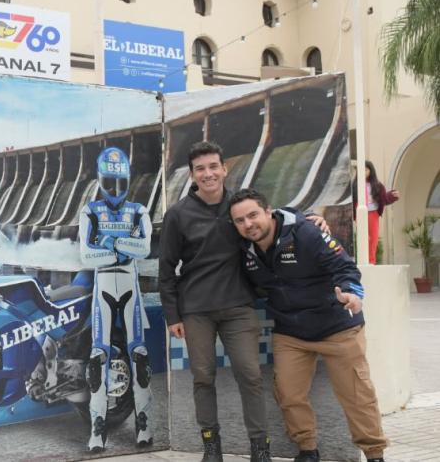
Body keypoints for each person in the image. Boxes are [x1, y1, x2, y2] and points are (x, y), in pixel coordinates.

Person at [228, 188, 388, 462]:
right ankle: (307, 450)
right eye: (240, 220)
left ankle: (374, 454)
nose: (248, 224)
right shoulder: (243, 248)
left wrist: (351, 293)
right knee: (288, 394)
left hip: (337, 326)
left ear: (268, 211)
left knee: (357, 396)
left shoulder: (306, 232)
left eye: (253, 215)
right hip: (291, 332)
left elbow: (345, 268)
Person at [158, 141, 271, 462]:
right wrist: (172, 315)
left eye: (212, 166)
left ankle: (260, 448)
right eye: (200, 169)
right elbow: (166, 269)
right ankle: (211, 445)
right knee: (203, 378)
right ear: (192, 174)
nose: (207, 174)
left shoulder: (238, 208)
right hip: (196, 310)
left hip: (238, 306)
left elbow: (269, 219)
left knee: (250, 375)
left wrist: (311, 219)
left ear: (224, 168)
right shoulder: (177, 215)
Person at [78, 146, 153, 452]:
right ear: (100, 180)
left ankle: (144, 425)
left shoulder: (139, 210)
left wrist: (109, 241)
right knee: (98, 356)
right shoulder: (90, 211)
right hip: (105, 285)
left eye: (120, 182)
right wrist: (125, 246)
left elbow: (144, 249)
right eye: (109, 182)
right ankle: (98, 429)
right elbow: (87, 255)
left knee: (139, 355)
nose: (115, 189)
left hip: (128, 285)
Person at [351, 160, 400, 264]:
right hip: (360, 214)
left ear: (371, 171)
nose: (363, 172)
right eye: (361, 170)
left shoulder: (377, 185)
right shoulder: (354, 186)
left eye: (365, 169)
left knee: (373, 238)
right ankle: (361, 261)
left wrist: (392, 196)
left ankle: (371, 261)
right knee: (362, 237)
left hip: (373, 213)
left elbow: (384, 199)